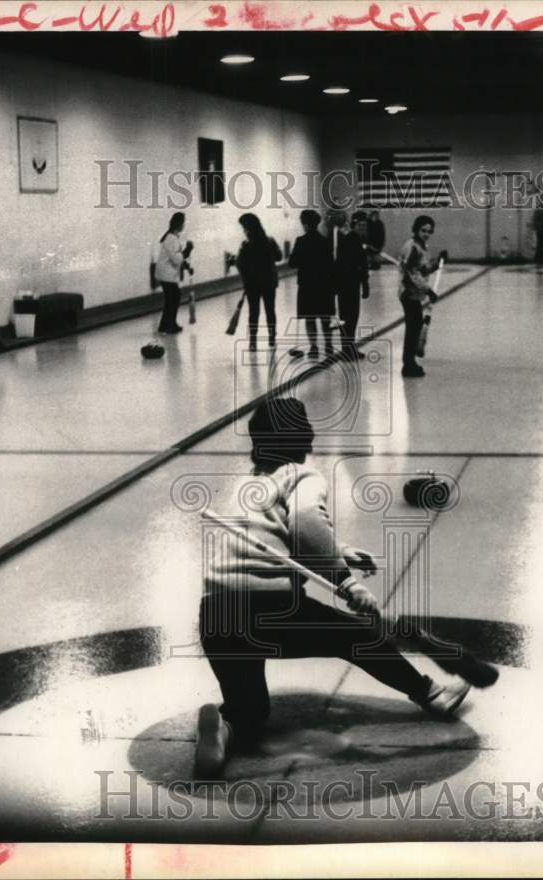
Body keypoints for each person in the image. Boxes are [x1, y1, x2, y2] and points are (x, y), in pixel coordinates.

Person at [194, 396, 472, 777]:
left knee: (251, 713)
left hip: (216, 617)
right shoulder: (301, 476)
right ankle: (431, 694)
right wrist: (343, 579)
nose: (311, 437)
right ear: (299, 438)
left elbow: (276, 537)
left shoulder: (248, 485)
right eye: (305, 429)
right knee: (354, 635)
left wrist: (339, 550)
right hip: (269, 609)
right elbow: (307, 523)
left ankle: (222, 726)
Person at [398, 215, 446, 378]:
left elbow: (423, 270)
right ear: (416, 229)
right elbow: (412, 273)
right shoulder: (412, 247)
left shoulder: (422, 246)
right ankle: (408, 364)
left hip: (415, 293)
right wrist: (428, 290)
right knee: (413, 328)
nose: (426, 234)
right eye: (423, 230)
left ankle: (410, 361)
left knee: (416, 326)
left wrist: (437, 262)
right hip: (408, 293)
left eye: (429, 231)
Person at [288, 210, 335, 359]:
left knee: (310, 317)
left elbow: (292, 263)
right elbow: (330, 264)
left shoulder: (300, 241)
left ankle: (313, 347)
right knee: (325, 316)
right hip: (323, 284)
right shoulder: (325, 241)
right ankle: (328, 345)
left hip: (306, 284)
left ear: (305, 224)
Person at [236, 214, 283, 351]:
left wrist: (246, 278)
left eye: (244, 228)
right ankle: (272, 338)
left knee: (253, 312)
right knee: (270, 311)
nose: (243, 231)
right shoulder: (269, 241)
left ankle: (253, 342)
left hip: (252, 284)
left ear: (248, 229)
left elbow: (240, 264)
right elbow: (279, 257)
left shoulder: (246, 245)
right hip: (269, 282)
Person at [330, 210, 370, 360]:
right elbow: (341, 265)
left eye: (365, 226)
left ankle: (349, 347)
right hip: (346, 285)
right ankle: (347, 349)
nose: (363, 229)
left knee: (351, 318)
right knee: (348, 318)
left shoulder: (357, 240)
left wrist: (364, 283)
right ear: (354, 225)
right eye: (361, 225)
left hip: (352, 285)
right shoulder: (349, 240)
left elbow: (362, 265)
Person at [156, 212, 192, 334]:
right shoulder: (170, 238)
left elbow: (178, 255)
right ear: (179, 224)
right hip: (166, 275)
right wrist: (187, 251)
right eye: (183, 222)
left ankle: (167, 325)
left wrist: (187, 266)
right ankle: (168, 326)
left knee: (172, 298)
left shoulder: (173, 237)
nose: (184, 225)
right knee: (173, 298)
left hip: (167, 274)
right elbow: (176, 258)